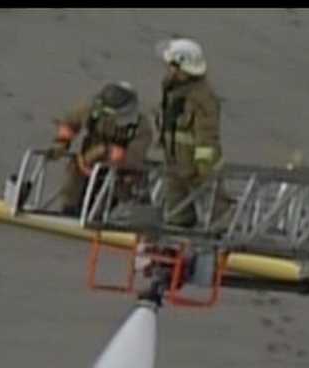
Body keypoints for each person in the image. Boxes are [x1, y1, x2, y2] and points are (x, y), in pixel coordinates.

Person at [154, 37, 229, 228]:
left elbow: (207, 137)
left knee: (216, 213)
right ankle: (177, 237)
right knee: (176, 216)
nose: (168, 69)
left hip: (197, 167)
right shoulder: (172, 89)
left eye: (172, 65)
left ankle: (221, 232)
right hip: (175, 164)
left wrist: (203, 168)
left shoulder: (203, 97)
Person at [47, 81, 153, 216]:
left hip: (119, 172)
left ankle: (102, 214)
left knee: (120, 186)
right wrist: (62, 143)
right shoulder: (92, 111)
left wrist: (105, 152)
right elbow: (70, 122)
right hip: (86, 164)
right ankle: (69, 209)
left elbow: (134, 156)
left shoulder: (140, 126)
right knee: (73, 174)